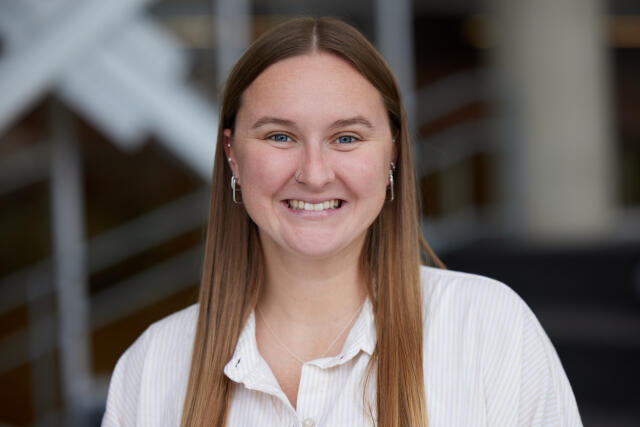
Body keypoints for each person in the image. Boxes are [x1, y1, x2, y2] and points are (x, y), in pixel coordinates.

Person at [102, 17, 582, 427]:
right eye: (280, 136)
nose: (313, 173)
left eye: (346, 138)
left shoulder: (488, 330)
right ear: (232, 154)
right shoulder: (153, 368)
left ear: (393, 151)